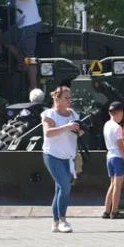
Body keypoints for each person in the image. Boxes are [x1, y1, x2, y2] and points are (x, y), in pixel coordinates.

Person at [41, 86, 81, 233]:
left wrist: (80, 129)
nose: (69, 100)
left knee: (59, 189)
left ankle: (55, 222)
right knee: (65, 186)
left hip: (68, 156)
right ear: (57, 98)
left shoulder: (73, 114)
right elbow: (48, 133)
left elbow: (77, 132)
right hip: (52, 155)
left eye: (70, 97)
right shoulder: (49, 114)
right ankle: (63, 220)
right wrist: (67, 127)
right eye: (66, 98)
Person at [0, 0, 44, 89]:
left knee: (29, 55)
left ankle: (33, 86)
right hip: (21, 24)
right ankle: (20, 60)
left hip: (30, 24)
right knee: (5, 38)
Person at [102, 101, 124, 219]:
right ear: (120, 113)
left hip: (109, 156)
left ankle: (106, 210)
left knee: (112, 185)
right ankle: (115, 211)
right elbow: (121, 145)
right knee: (118, 186)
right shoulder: (118, 128)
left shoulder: (107, 125)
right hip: (117, 157)